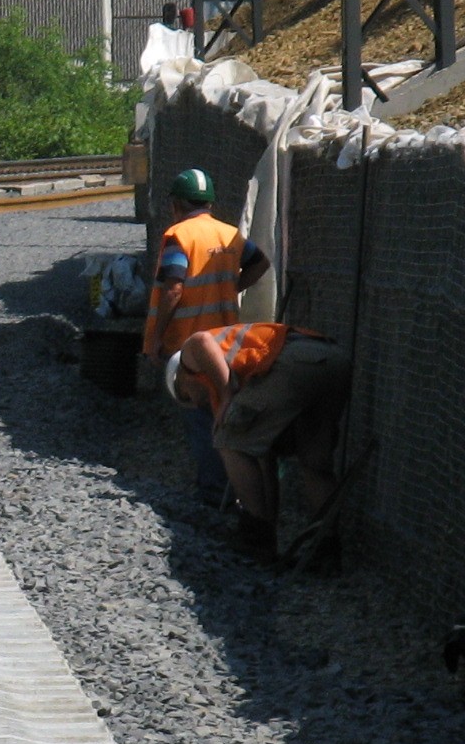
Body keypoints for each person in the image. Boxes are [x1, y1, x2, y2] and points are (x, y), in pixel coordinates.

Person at [167, 323, 351, 561]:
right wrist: (270, 526)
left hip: (296, 360)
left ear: (182, 379)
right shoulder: (245, 375)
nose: (197, 403)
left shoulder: (189, 360)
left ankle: (254, 538)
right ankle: (326, 549)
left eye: (187, 396)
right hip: (333, 359)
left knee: (229, 440)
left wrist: (225, 397)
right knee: (314, 463)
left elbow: (200, 339)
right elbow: (264, 462)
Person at [142, 168, 270, 501]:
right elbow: (260, 263)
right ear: (209, 203)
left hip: (189, 342)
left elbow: (174, 287)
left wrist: (155, 338)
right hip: (227, 339)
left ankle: (214, 489)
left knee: (199, 414)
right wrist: (231, 289)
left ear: (177, 204)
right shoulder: (230, 235)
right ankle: (233, 487)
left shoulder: (178, 236)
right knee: (221, 410)